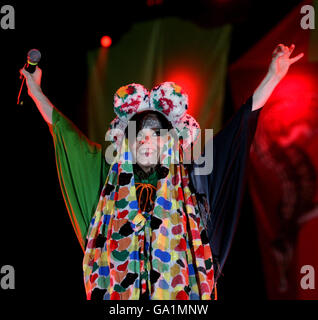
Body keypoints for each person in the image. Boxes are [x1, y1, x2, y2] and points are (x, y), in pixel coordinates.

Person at [20, 44, 303, 300]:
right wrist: (36, 93)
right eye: (138, 134)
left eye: (155, 134)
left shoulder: (193, 182)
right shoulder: (108, 183)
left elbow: (235, 134)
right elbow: (67, 136)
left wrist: (272, 78)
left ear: (170, 141)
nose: (145, 139)